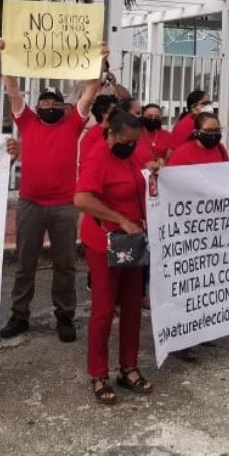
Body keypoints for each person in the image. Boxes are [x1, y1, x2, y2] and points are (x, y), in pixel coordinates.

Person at [0, 41, 103, 342]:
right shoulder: (27, 121)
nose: (51, 107)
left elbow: (90, 91)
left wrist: (98, 62)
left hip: (65, 206)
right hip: (30, 204)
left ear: (64, 107)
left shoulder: (71, 124)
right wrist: (7, 59)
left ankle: (65, 316)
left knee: (65, 264)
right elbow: (13, 92)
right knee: (25, 262)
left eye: (56, 103)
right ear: (37, 106)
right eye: (45, 102)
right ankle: (19, 314)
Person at [74, 110, 152, 404]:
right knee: (104, 310)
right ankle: (98, 373)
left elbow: (141, 183)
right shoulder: (98, 158)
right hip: (105, 242)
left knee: (133, 307)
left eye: (135, 142)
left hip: (133, 242)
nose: (130, 146)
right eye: (126, 140)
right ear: (110, 134)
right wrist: (120, 220)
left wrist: (153, 170)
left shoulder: (130, 156)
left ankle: (128, 367)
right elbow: (81, 199)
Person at [79, 94, 120, 161]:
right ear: (103, 113)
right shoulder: (92, 135)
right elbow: (85, 160)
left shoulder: (116, 130)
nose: (117, 113)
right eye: (113, 110)